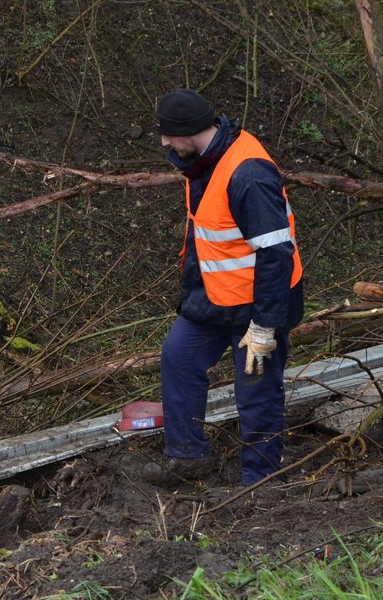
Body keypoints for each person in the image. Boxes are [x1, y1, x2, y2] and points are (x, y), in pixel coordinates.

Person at [143, 88, 304, 487]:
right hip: (214, 298)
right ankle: (187, 457)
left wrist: (265, 325)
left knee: (256, 389)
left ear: (188, 130)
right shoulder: (202, 162)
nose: (163, 143)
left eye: (167, 134)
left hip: (259, 304)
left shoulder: (247, 173)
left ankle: (261, 479)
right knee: (178, 358)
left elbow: (276, 253)